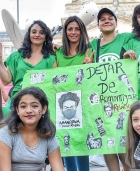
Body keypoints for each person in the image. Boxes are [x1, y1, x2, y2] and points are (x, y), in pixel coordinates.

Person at [89, 7, 133, 170]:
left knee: (123, 140)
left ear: (116, 22)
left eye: (110, 18)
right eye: (103, 19)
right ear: (98, 25)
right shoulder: (93, 44)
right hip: (102, 100)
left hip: (122, 99)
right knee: (107, 143)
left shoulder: (126, 38)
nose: (106, 21)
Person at [0, 87, 64, 171]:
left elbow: (58, 168)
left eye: (34, 106)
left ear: (44, 109)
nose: (29, 110)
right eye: (23, 106)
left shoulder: (48, 134)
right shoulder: (6, 132)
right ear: (17, 110)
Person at [56, 15, 93, 171]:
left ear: (82, 31)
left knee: (81, 141)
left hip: (82, 102)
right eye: (70, 29)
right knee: (66, 142)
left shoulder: (89, 50)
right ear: (65, 32)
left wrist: (90, 65)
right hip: (62, 104)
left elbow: (94, 77)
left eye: (77, 29)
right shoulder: (57, 53)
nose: (73, 32)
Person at [0, 20, 56, 109]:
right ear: (29, 35)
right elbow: (6, 81)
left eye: (41, 33)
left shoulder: (51, 59)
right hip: (18, 102)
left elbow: (54, 84)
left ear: (45, 36)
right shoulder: (16, 56)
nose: (37, 35)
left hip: (41, 103)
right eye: (34, 32)